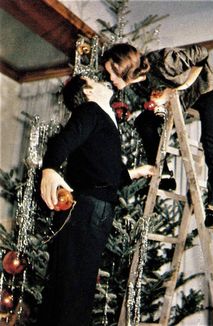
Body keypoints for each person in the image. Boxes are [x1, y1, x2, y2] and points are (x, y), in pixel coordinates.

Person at [37, 75, 154, 326]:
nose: (103, 81)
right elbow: (61, 142)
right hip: (86, 210)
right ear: (88, 92)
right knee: (73, 290)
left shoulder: (103, 117)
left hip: (92, 208)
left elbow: (105, 172)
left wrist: (136, 172)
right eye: (94, 80)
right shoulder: (90, 110)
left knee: (74, 288)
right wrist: (49, 169)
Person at [102, 43, 213, 228]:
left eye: (113, 72)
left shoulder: (162, 60)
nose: (111, 78)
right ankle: (165, 174)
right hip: (185, 102)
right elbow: (157, 98)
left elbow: (202, 54)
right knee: (143, 122)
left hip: (209, 93)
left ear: (126, 65)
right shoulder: (136, 84)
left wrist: (173, 91)